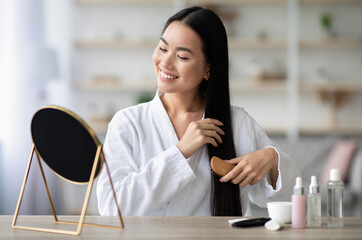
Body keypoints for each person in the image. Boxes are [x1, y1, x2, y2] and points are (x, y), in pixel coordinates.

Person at [96, 6, 300, 216]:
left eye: (182, 57)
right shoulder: (127, 123)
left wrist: (271, 158)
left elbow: (292, 199)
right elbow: (112, 208)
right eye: (163, 49)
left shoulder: (237, 123)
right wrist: (181, 151)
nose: (165, 62)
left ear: (207, 69)